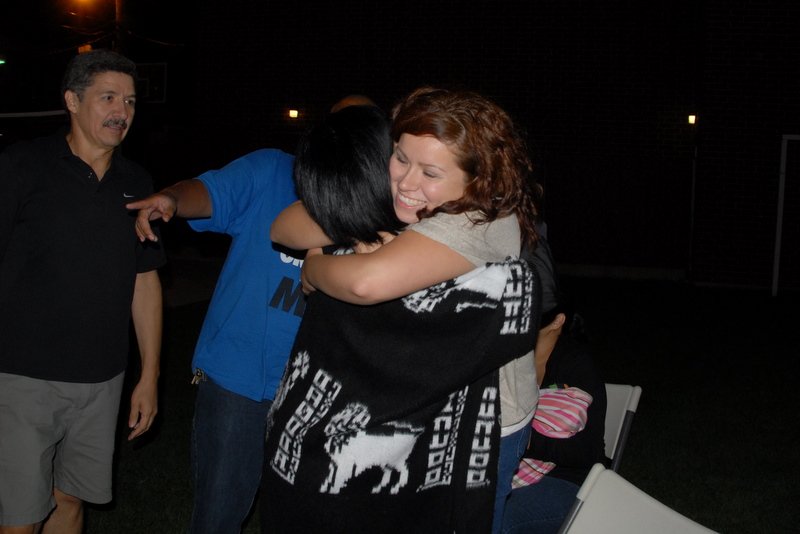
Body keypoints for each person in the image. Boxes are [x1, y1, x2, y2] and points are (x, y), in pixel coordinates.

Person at [264, 86, 541, 533]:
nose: (406, 182)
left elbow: (365, 282)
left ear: (477, 179)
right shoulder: (417, 201)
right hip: (421, 402)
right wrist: (363, 227)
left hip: (488, 422)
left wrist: (315, 267)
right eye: (399, 158)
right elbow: (285, 226)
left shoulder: (479, 223)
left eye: (430, 171)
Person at [125, 96, 377, 533]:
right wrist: (172, 198)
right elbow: (208, 193)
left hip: (321, 395)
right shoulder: (273, 171)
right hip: (240, 384)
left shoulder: (383, 208)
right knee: (219, 517)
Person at [0, 49, 164, 534]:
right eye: (108, 97)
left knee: (70, 499)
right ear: (72, 101)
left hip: (102, 379)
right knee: (21, 517)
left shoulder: (137, 183)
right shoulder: (23, 165)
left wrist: (149, 376)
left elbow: (145, 281)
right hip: (22, 376)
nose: (121, 111)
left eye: (130, 101)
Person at [500, 272, 608, 534]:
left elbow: (586, 451)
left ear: (557, 321)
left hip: (570, 480)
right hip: (512, 470)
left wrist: (524, 440)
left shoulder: (575, 365)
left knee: (499, 518)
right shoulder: (510, 358)